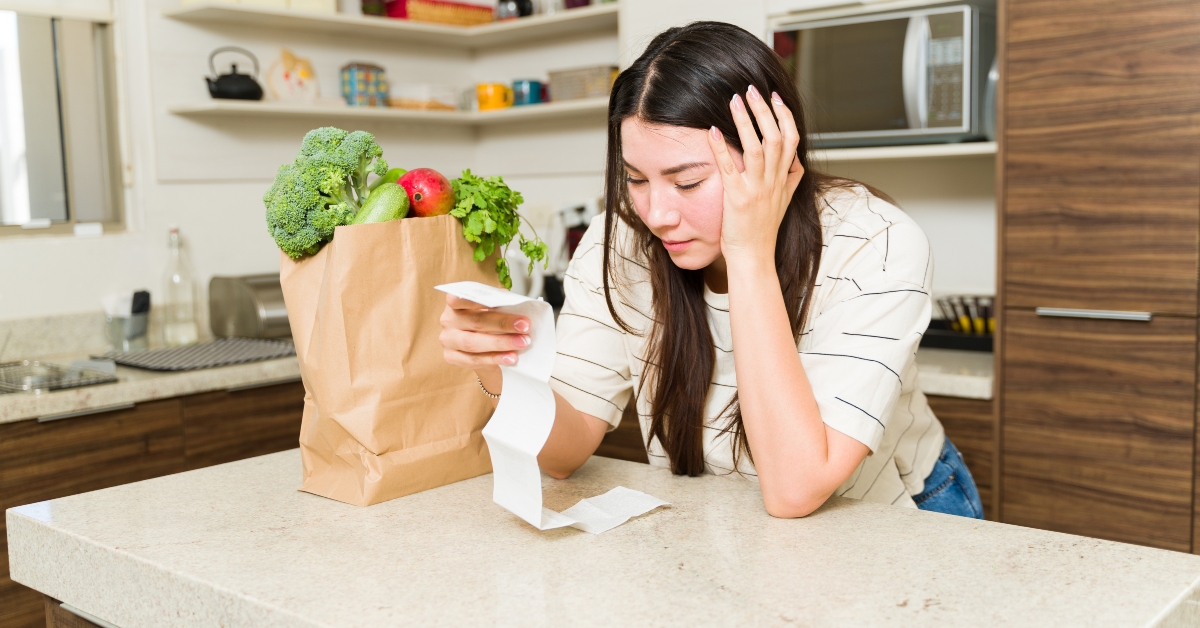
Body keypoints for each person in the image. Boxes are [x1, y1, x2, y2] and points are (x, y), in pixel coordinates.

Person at [438, 21, 983, 519]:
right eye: (635, 178)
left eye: (688, 181)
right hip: (729, 520)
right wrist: (500, 362)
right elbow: (566, 450)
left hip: (894, 511)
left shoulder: (875, 242)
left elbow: (796, 489)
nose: (656, 214)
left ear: (771, 153)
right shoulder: (621, 240)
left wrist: (749, 253)